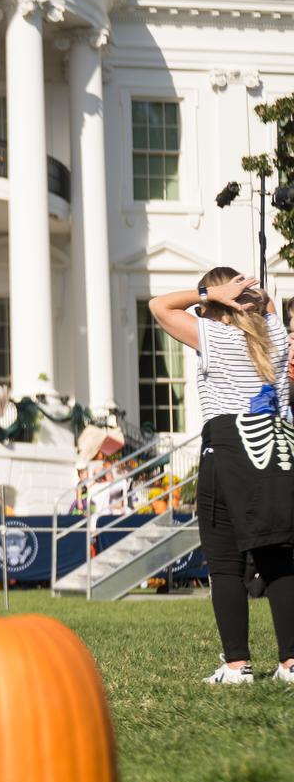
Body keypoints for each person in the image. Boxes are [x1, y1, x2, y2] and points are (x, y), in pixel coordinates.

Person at [149, 267, 294, 685]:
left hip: (229, 451)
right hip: (277, 453)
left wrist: (207, 292)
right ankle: (290, 662)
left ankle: (237, 665)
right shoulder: (277, 337)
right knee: (279, 559)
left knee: (226, 566)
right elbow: (266, 304)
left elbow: (159, 306)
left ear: (217, 304)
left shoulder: (219, 337)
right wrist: (249, 293)